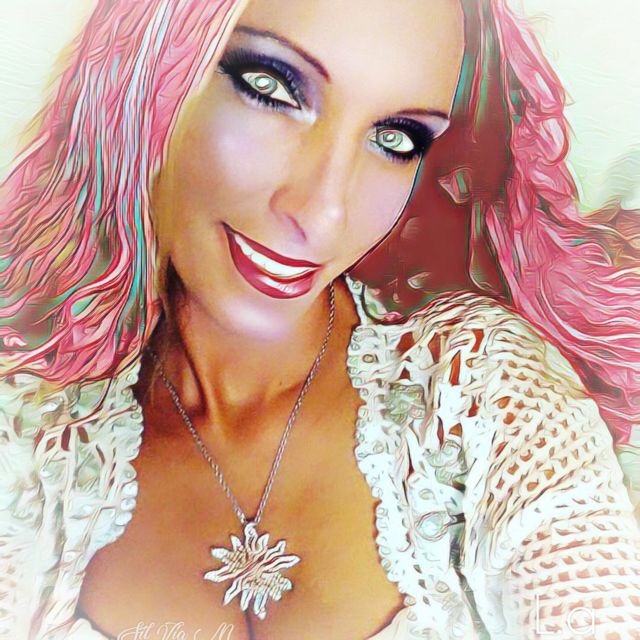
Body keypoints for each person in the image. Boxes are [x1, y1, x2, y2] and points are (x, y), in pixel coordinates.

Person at [1, 0, 639, 638]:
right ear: (149, 81)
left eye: (396, 138)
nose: (324, 211)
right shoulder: (29, 438)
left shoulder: (483, 393)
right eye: (270, 88)